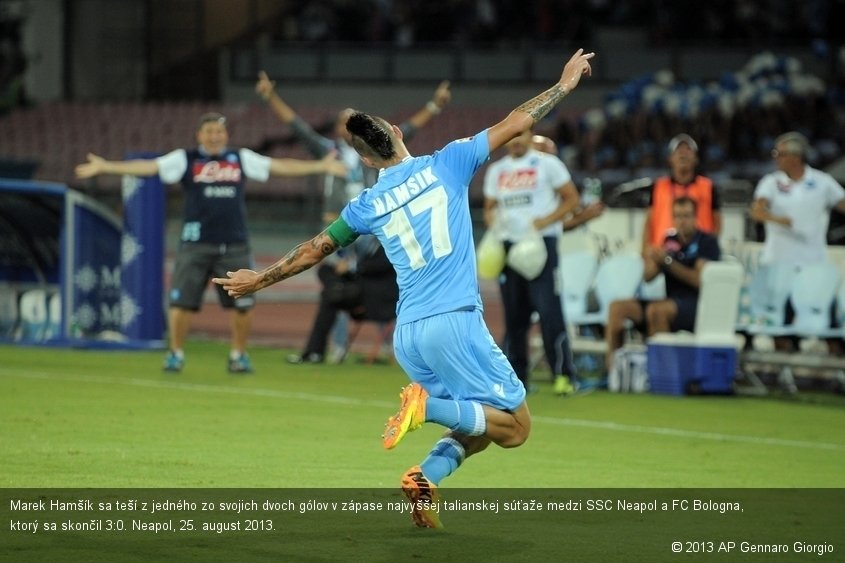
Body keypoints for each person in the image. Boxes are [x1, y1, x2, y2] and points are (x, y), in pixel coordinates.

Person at [214, 48, 595, 528]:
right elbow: (518, 123)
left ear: (365, 158)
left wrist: (260, 279)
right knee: (516, 428)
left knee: (478, 419)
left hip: (409, 336)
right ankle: (424, 407)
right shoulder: (450, 161)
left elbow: (314, 249)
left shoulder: (367, 204)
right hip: (454, 322)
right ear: (397, 132)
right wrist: (563, 87)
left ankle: (425, 478)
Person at [75, 112, 345, 374]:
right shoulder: (186, 159)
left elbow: (278, 166)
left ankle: (238, 355)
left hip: (234, 243)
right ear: (199, 135)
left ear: (225, 134)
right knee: (181, 302)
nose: (215, 136)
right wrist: (107, 166)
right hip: (195, 243)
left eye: (219, 131)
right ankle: (175, 354)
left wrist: (320, 166)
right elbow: (150, 167)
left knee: (243, 302)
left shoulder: (240, 158)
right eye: (209, 132)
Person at [256, 71, 451, 363]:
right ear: (337, 129)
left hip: (374, 232)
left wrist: (435, 105)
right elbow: (297, 127)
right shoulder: (330, 152)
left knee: (385, 278)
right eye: (348, 124)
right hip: (340, 229)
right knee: (335, 283)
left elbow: (407, 128)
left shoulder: (376, 151)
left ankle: (393, 344)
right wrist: (270, 97)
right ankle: (337, 344)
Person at [483, 129, 580, 395]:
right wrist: (494, 221)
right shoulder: (497, 171)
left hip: (541, 245)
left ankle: (563, 375)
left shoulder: (548, 164)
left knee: (549, 312)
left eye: (520, 137)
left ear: (529, 137)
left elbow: (572, 198)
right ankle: (518, 379)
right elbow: (490, 207)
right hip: (508, 247)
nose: (515, 142)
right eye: (511, 138)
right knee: (514, 317)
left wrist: (545, 221)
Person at [749, 131, 845, 354]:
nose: (775, 158)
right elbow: (757, 211)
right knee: (780, 322)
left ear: (795, 156)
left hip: (812, 265)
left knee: (826, 320)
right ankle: (785, 372)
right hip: (779, 264)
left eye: (779, 154)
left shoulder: (822, 182)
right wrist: (779, 219)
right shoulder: (771, 182)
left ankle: (836, 370)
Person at [605, 197, 721, 371]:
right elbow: (648, 277)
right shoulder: (670, 241)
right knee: (617, 308)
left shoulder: (707, 243)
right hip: (671, 301)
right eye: (677, 216)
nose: (682, 221)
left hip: (695, 305)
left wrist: (668, 262)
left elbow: (698, 280)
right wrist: (653, 258)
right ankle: (613, 372)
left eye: (686, 216)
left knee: (657, 310)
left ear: (695, 217)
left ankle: (661, 372)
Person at [287, 235, 398, 364]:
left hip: (377, 300)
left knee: (330, 297)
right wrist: (345, 266)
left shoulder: (391, 241)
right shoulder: (360, 240)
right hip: (356, 292)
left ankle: (315, 353)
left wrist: (351, 266)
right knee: (326, 271)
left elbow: (380, 265)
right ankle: (336, 287)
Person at [642, 134, 721, 253]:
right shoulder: (658, 186)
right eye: (678, 150)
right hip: (662, 254)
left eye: (688, 150)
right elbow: (649, 221)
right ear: (670, 158)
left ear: (696, 158)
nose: (683, 153)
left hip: (698, 255)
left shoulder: (708, 186)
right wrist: (645, 250)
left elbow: (718, 221)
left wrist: (710, 247)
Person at [531, 134, 604, 230]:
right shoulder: (529, 185)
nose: (550, 160)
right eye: (542, 152)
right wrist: (584, 216)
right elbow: (546, 226)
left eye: (552, 155)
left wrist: (584, 213)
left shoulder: (558, 183)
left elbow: (563, 219)